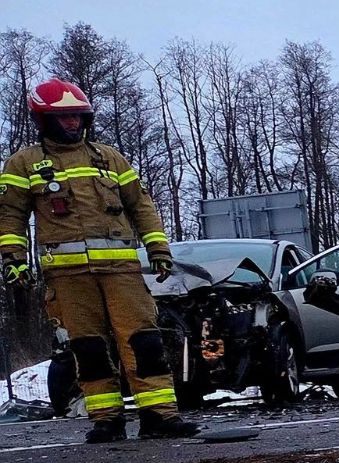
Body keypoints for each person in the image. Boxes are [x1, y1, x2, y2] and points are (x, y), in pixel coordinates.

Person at [0, 78, 198, 442]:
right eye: (65, 118)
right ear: (44, 121)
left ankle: (160, 416)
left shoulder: (109, 157)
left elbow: (141, 205)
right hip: (68, 275)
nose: (73, 124)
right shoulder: (24, 163)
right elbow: (9, 215)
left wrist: (158, 249)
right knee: (88, 347)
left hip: (121, 271)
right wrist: (14, 259)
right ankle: (106, 419)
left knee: (143, 341)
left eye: (78, 117)